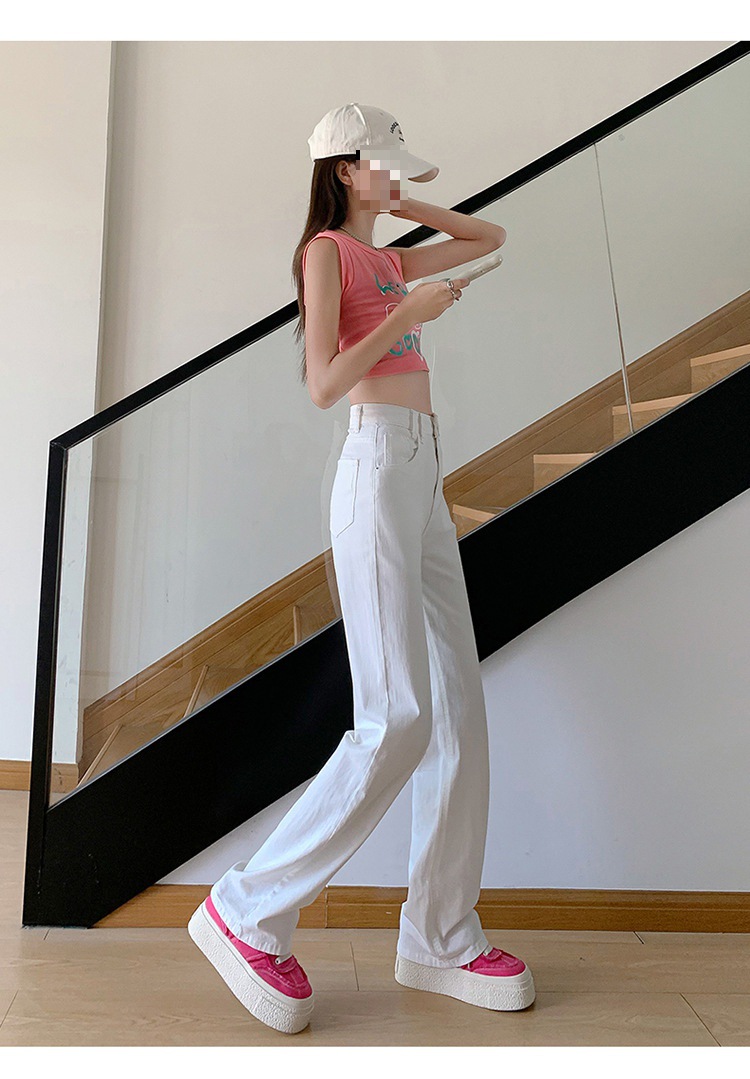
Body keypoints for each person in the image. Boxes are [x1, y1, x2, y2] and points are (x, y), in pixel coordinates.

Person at [188, 102, 536, 1034]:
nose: (396, 176)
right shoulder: (327, 255)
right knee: (398, 714)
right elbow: (323, 384)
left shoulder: (386, 255)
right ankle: (247, 906)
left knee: (458, 705)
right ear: (344, 168)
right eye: (383, 166)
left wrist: (412, 208)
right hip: (375, 464)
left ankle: (440, 931)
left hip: (423, 471)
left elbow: (490, 236)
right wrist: (408, 315)